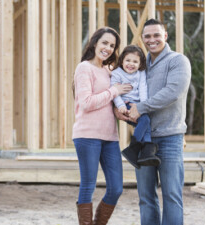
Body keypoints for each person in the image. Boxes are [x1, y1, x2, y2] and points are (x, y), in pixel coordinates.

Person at [116, 19, 191, 225]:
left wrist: (140, 108)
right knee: (146, 198)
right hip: (143, 140)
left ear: (165, 36)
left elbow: (172, 93)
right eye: (147, 36)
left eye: (156, 35)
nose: (152, 40)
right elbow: (130, 96)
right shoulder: (139, 67)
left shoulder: (178, 61)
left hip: (169, 139)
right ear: (142, 39)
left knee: (172, 197)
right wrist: (122, 109)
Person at [72, 27, 132, 225]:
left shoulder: (109, 71)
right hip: (87, 135)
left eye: (112, 46)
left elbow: (109, 103)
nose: (108, 48)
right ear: (95, 42)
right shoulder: (84, 68)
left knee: (116, 188)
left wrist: (120, 112)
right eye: (105, 43)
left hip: (110, 137)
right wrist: (113, 91)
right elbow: (87, 103)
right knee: (88, 186)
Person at [111, 45, 161, 169]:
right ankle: (136, 147)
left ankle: (145, 152)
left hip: (138, 105)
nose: (131, 64)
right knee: (145, 121)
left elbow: (143, 89)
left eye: (135, 61)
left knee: (145, 123)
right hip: (126, 103)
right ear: (122, 60)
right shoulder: (117, 73)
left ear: (140, 64)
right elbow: (115, 92)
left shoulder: (140, 73)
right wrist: (121, 106)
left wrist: (141, 106)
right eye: (128, 60)